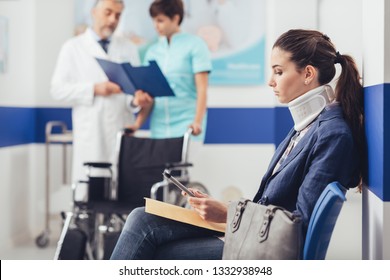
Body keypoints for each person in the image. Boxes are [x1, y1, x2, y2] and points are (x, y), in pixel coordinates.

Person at [110, 29, 365, 260]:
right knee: (142, 217)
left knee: (154, 248)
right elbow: (270, 204)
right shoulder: (308, 125)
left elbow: (301, 223)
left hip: (269, 248)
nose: (271, 81)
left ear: (308, 74)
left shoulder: (332, 134)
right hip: (256, 231)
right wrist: (226, 210)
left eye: (279, 71)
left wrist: (229, 214)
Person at [51, 0, 153, 190]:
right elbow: (57, 89)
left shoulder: (129, 48)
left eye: (118, 15)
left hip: (120, 132)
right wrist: (95, 89)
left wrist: (136, 101)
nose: (113, 19)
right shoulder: (73, 47)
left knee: (119, 196)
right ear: (93, 12)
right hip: (91, 134)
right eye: (108, 12)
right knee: (89, 195)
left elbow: (132, 93)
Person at [131, 0, 212, 140]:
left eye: (160, 20)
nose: (156, 26)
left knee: (183, 162)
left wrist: (197, 122)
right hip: (159, 127)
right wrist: (137, 125)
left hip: (188, 124)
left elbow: (202, 90)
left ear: (175, 18)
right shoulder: (153, 51)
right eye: (154, 21)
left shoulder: (195, 45)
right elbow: (150, 95)